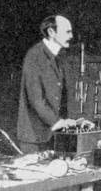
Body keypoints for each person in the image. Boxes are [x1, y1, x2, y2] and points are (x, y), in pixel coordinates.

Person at [17, 14, 77, 153]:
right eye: (67, 32)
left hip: (52, 135)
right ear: (51, 32)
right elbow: (36, 99)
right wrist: (57, 122)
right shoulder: (35, 55)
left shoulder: (58, 56)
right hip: (34, 137)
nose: (71, 36)